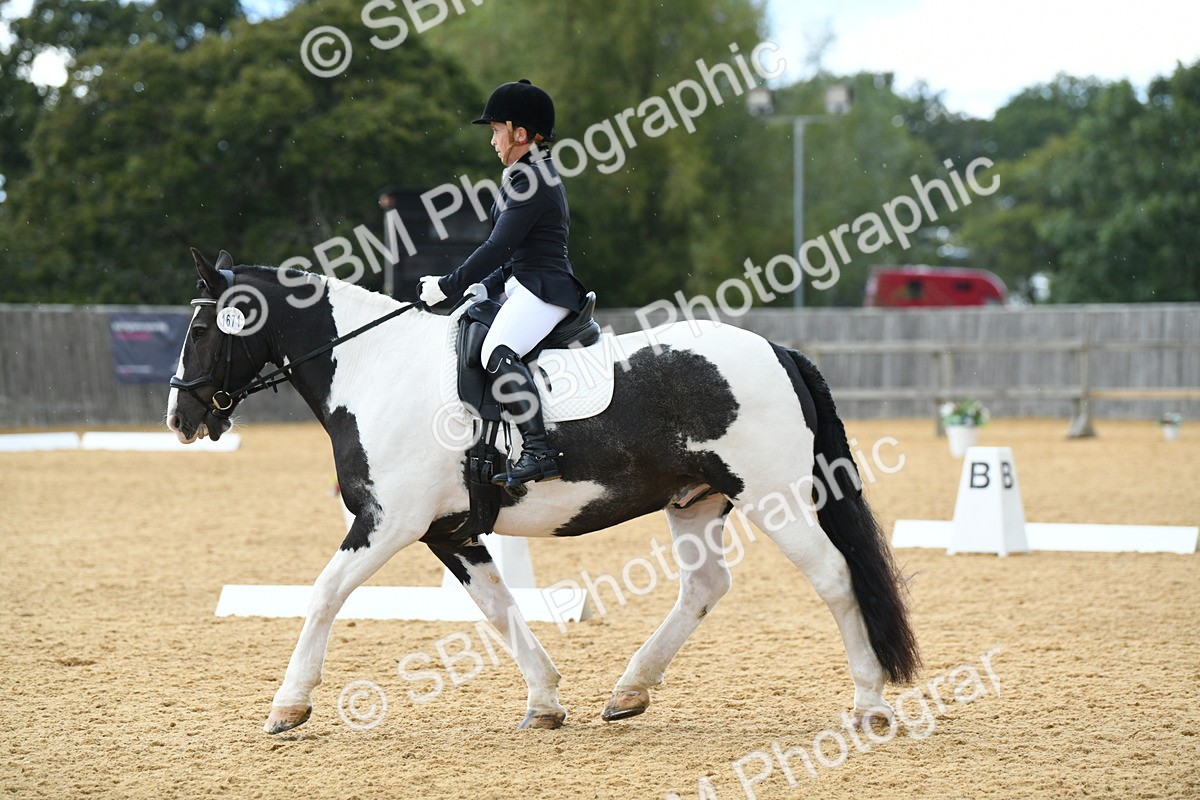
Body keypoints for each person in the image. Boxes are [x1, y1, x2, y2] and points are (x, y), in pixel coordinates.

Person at [417, 79, 588, 490]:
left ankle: (539, 450)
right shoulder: (523, 174)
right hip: (524, 283)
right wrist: (485, 288)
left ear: (521, 133)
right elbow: (512, 257)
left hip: (545, 288)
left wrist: (450, 285)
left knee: (498, 349)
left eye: (496, 130)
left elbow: (498, 246)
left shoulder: (531, 179)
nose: (492, 141)